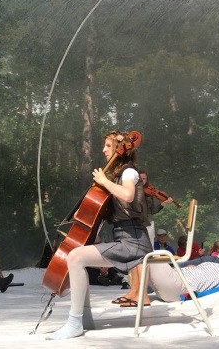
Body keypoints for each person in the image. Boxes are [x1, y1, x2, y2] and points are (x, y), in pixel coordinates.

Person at [46, 130, 151, 340]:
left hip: (134, 242)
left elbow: (128, 195)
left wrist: (105, 182)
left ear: (120, 149)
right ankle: (84, 318)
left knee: (75, 257)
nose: (103, 150)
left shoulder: (128, 172)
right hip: (126, 240)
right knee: (79, 258)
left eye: (108, 146)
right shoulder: (118, 175)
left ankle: (75, 322)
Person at [148, 239, 219, 302]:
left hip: (180, 286)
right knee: (143, 260)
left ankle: (142, 297)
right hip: (172, 282)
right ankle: (141, 295)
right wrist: (193, 268)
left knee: (146, 253)